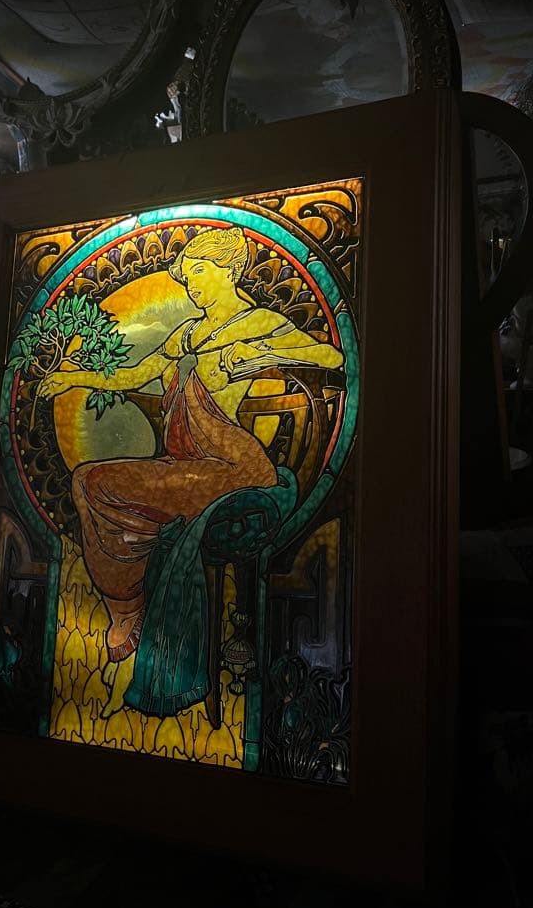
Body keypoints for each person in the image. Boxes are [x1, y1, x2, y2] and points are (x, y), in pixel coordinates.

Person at [38, 226, 344, 676]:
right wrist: (74, 378)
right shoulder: (186, 335)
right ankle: (128, 603)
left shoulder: (260, 322)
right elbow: (133, 375)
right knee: (86, 480)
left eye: (199, 271)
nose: (190, 283)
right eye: (186, 275)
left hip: (234, 468)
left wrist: (259, 354)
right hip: (187, 466)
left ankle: (132, 606)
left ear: (230, 270)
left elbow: (331, 357)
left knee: (96, 483)